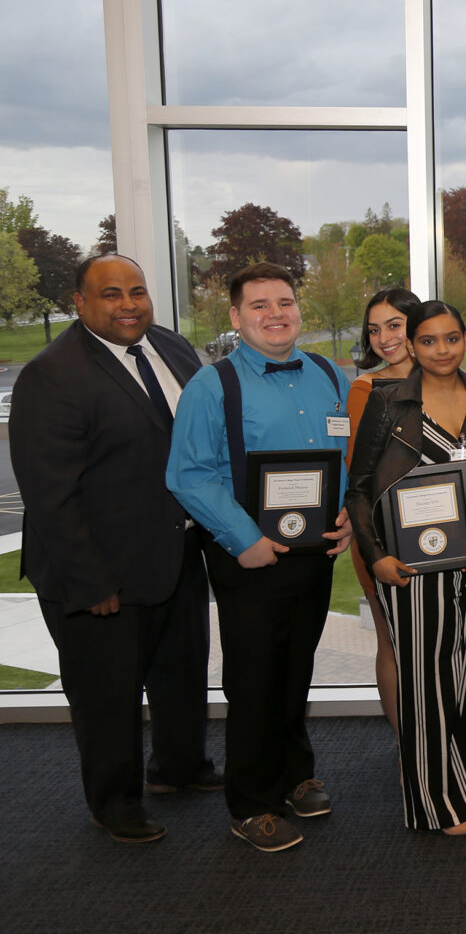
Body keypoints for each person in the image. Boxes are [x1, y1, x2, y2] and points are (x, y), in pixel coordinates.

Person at [10, 253, 220, 843]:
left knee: (182, 672)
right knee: (108, 695)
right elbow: (50, 494)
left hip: (176, 555)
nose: (128, 304)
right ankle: (115, 804)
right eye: (111, 295)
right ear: (80, 303)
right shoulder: (52, 375)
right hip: (99, 570)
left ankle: (180, 769)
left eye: (137, 291)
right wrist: (90, 581)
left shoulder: (174, 349)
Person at [166, 262, 353, 853]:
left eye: (285, 302)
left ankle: (294, 777)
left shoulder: (329, 373)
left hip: (313, 550)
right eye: (260, 305)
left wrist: (345, 511)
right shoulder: (211, 386)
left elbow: (342, 452)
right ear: (235, 317)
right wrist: (243, 539)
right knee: (253, 677)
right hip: (245, 550)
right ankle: (250, 804)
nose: (276, 314)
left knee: (296, 666)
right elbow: (188, 475)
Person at [346, 301, 466, 835]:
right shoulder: (388, 402)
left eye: (453, 338)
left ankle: (455, 782)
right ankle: (434, 804)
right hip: (410, 567)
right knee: (424, 681)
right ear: (411, 345)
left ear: (465, 341)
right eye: (429, 340)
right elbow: (360, 488)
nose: (443, 350)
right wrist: (375, 555)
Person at [346, 287, 421, 734]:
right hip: (382, 539)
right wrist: (373, 547)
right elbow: (358, 479)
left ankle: (441, 756)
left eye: (394, 325)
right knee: (394, 643)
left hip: (443, 537)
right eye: (375, 329)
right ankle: (410, 754)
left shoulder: (450, 383)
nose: (383, 338)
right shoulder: (366, 389)